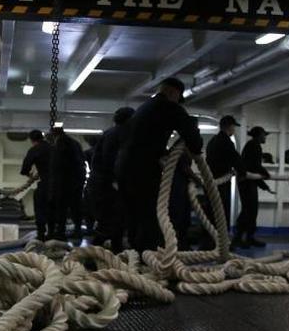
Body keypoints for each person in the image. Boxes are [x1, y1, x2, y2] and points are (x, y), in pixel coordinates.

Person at [115, 77, 203, 252]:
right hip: (142, 170)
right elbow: (193, 138)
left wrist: (163, 153)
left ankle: (135, 257)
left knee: (134, 215)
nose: (178, 102)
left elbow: (142, 140)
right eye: (178, 98)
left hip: (124, 168)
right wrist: (195, 146)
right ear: (173, 93)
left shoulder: (144, 108)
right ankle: (148, 258)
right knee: (150, 216)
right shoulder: (169, 107)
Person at [89, 107, 133, 249]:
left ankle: (112, 250)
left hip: (102, 184)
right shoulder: (120, 134)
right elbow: (111, 159)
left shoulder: (110, 133)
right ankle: (97, 253)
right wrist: (115, 181)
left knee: (111, 221)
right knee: (111, 220)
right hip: (107, 185)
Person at [234, 126, 273, 248]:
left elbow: (254, 168)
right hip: (246, 181)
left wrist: (264, 185)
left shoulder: (252, 145)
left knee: (251, 210)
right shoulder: (254, 145)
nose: (265, 137)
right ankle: (238, 238)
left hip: (248, 181)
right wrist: (266, 175)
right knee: (248, 210)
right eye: (264, 135)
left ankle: (248, 237)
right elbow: (254, 166)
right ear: (259, 135)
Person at [204, 114, 244, 231]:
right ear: (230, 126)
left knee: (211, 212)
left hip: (211, 181)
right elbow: (236, 159)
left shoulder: (212, 141)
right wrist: (243, 173)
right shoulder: (226, 142)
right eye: (233, 127)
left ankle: (209, 239)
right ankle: (222, 240)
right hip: (221, 183)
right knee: (222, 212)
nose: (234, 129)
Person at [48, 126, 87, 240]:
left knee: (62, 208)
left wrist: (53, 186)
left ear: (54, 135)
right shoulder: (75, 143)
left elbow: (57, 166)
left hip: (65, 182)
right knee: (76, 207)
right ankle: (78, 230)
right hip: (77, 181)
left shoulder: (61, 144)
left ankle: (61, 232)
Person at [20, 129, 53, 239]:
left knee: (40, 208)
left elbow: (25, 168)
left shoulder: (35, 149)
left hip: (45, 184)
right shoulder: (53, 147)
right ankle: (53, 232)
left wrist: (30, 175)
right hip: (59, 185)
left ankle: (41, 234)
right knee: (54, 209)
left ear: (32, 140)